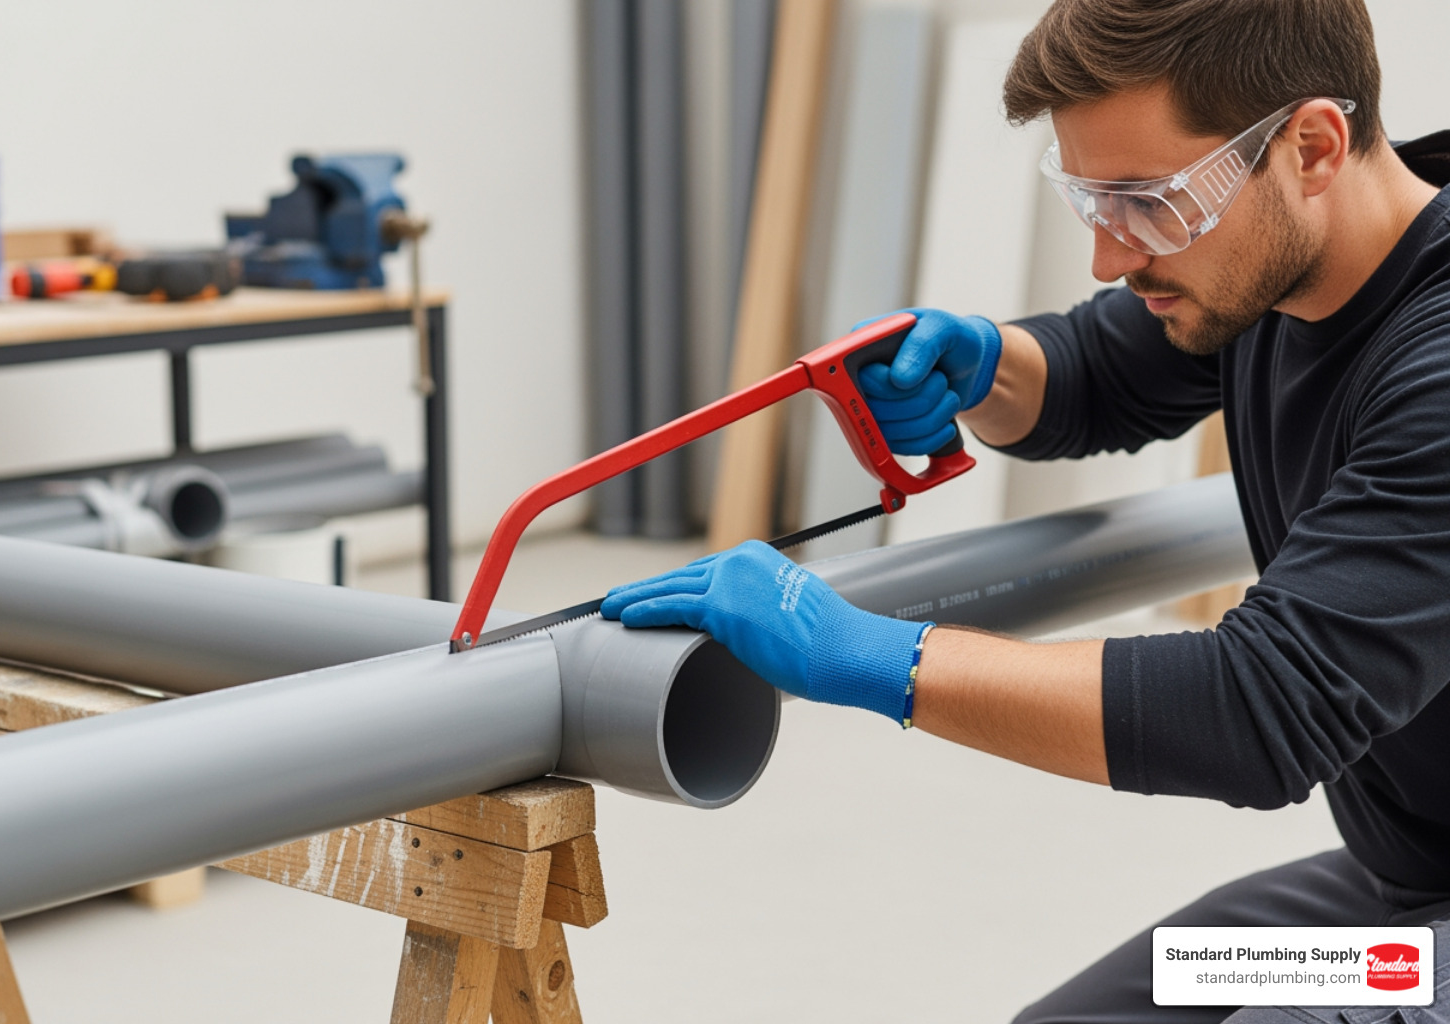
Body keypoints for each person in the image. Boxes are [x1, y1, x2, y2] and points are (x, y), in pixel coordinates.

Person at [600, 1, 1450, 1020]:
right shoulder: (1287, 261)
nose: (1111, 258)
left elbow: (1259, 709)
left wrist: (870, 654)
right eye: (1093, 200)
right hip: (1396, 898)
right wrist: (979, 362)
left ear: (1311, 147)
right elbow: (1097, 375)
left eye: (1149, 203)